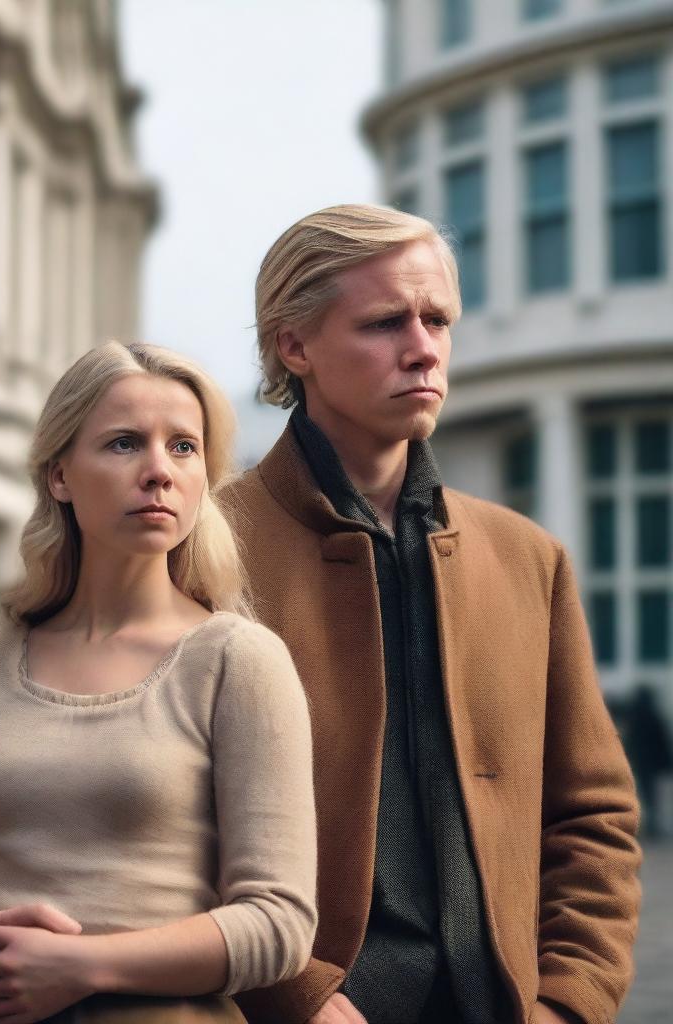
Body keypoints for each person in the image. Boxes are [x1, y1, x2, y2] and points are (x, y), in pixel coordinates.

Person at [218, 204, 641, 1024]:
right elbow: (161, 817)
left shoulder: (529, 559)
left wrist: (570, 1001)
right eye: (385, 322)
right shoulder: (204, 553)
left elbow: (593, 818)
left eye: (437, 318)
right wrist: (294, 992)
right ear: (293, 345)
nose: (423, 347)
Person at [0, 342, 317, 1024]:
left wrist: (82, 965)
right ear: (59, 475)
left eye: (184, 447)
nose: (159, 471)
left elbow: (279, 923)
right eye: (124, 444)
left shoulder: (239, 661)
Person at [623, 684, 672, 839]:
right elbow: (662, 742)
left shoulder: (633, 718)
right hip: (651, 764)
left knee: (641, 795)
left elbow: (628, 742)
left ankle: (644, 826)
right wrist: (667, 763)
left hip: (638, 763)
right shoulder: (653, 716)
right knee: (651, 796)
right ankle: (651, 826)